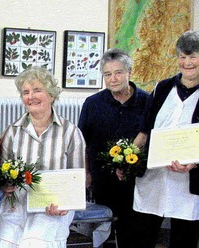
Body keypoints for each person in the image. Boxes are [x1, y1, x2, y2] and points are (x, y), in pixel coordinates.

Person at [131, 31, 199, 248]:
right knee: (142, 237)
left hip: (192, 182)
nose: (187, 62)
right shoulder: (162, 88)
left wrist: (194, 161)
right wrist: (127, 157)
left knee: (183, 241)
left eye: (193, 56)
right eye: (182, 56)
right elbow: (145, 130)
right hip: (154, 178)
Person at [0, 67, 86, 247]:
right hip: (17, 201)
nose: (31, 96)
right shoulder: (12, 131)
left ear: (52, 95)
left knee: (35, 243)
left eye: (37, 90)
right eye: (26, 92)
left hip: (53, 205)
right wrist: (5, 185)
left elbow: (78, 179)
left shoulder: (70, 132)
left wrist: (65, 204)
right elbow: (1, 174)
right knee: (6, 243)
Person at [77, 48, 151, 247]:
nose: (113, 79)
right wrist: (86, 174)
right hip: (102, 179)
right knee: (104, 232)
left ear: (130, 72)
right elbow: (82, 143)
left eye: (118, 73)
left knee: (133, 231)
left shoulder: (147, 102)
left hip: (138, 181)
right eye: (107, 74)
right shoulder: (92, 104)